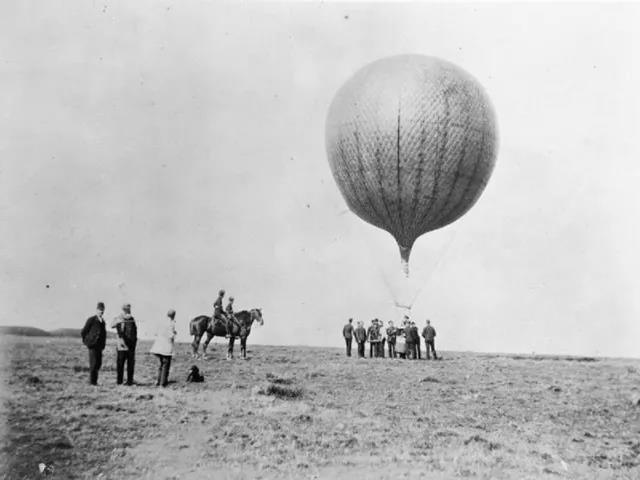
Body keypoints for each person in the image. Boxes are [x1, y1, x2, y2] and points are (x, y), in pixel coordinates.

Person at [81, 302, 107, 385]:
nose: (101, 311)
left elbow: (104, 334)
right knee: (93, 363)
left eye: (102, 310)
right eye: (100, 310)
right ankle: (93, 382)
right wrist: (87, 342)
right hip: (92, 345)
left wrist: (103, 345)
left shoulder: (103, 322)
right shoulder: (91, 319)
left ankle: (94, 381)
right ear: (96, 310)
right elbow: (84, 331)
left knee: (98, 363)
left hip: (99, 346)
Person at [111, 303, 138, 385]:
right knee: (120, 364)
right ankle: (119, 382)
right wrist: (118, 321)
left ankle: (129, 381)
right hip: (121, 345)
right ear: (123, 310)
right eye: (127, 309)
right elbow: (112, 325)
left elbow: (134, 331)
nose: (128, 310)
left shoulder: (132, 318)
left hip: (130, 346)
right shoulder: (119, 317)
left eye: (129, 309)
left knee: (130, 365)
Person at [150, 309, 177, 387]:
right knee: (166, 365)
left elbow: (156, 333)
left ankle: (158, 381)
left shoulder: (161, 322)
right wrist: (174, 333)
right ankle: (163, 383)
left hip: (159, 346)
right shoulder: (171, 323)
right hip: (166, 346)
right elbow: (171, 335)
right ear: (173, 315)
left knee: (161, 364)